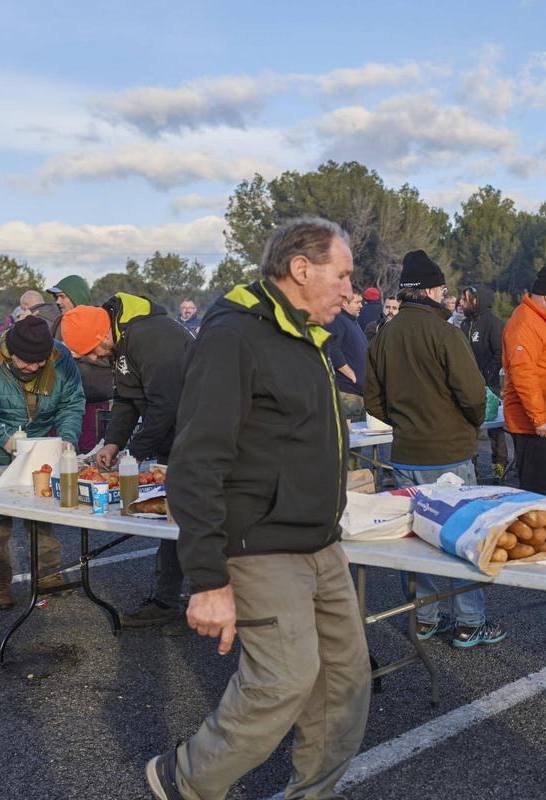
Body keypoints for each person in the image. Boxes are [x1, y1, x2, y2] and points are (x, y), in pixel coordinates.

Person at [147, 217, 369, 800]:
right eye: (342, 275)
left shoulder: (307, 335)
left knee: (343, 687)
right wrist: (207, 580)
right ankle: (186, 779)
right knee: (284, 681)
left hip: (320, 545)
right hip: (260, 545)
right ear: (302, 269)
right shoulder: (236, 335)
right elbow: (195, 461)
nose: (351, 291)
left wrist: (330, 529)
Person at [365, 250, 506, 649]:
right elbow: (473, 393)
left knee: (417, 538)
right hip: (451, 453)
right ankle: (468, 621)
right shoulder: (447, 333)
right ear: (429, 290)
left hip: (406, 452)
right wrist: (467, 423)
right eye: (443, 289)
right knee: (462, 538)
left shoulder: (385, 334)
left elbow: (373, 401)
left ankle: (423, 618)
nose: (447, 297)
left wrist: (407, 422)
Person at [60, 294, 192, 630]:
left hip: (204, 434)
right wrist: (114, 443)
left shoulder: (152, 337)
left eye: (91, 352)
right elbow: (127, 399)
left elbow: (166, 404)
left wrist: (133, 453)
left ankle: (232, 597)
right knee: (174, 521)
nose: (92, 358)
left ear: (103, 336)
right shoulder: (120, 344)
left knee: (209, 518)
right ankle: (167, 600)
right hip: (175, 435)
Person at [0, 317, 84, 610]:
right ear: (10, 352)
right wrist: (3, 438)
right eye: (27, 363)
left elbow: (72, 403)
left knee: (42, 509)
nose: (34, 368)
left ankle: (47, 573)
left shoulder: (59, 358)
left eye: (40, 363)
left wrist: (66, 438)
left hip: (37, 443)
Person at [502, 265, 546, 497]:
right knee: (538, 492)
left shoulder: (544, 321)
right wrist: (540, 419)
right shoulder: (524, 323)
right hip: (535, 426)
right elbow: (524, 374)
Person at [48, 274, 112, 453]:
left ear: (76, 295)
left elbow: (111, 360)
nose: (58, 302)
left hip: (94, 403)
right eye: (56, 297)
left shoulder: (99, 322)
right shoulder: (59, 324)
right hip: (66, 405)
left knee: (90, 454)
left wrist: (81, 354)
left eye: (62, 296)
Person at [460, 285, 507, 481]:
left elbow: (500, 353)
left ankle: (500, 465)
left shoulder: (494, 324)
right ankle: (472, 465)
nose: (462, 303)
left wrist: (486, 374)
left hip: (491, 384)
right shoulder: (464, 325)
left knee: (496, 428)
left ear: (477, 301)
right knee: (469, 426)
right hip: (468, 385)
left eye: (466, 299)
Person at [325, 285, 368, 422]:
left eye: (361, 302)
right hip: (348, 394)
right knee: (352, 441)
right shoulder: (337, 320)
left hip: (358, 394)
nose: (361, 305)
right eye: (357, 302)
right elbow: (332, 349)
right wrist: (352, 375)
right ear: (344, 303)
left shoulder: (352, 321)